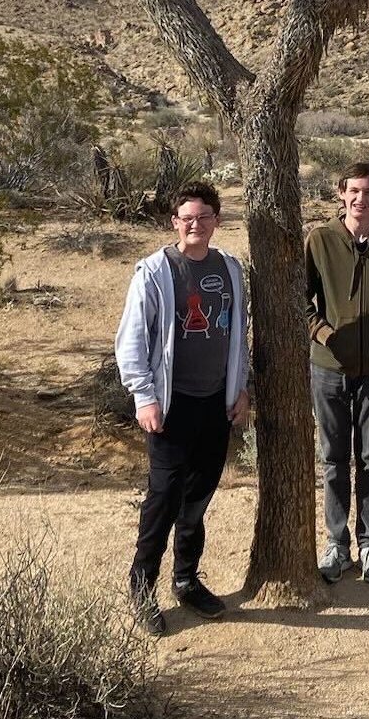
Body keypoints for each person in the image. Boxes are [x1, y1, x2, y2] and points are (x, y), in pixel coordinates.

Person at [116, 181, 250, 635]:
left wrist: (241, 388)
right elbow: (132, 338)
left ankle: (186, 578)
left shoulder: (230, 270)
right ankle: (142, 586)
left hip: (216, 404)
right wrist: (144, 396)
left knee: (199, 497)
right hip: (170, 408)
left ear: (216, 220)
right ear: (175, 222)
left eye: (204, 216)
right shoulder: (155, 271)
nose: (196, 224)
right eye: (187, 217)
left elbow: (238, 337)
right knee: (164, 498)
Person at [306, 161, 369, 584]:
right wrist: (327, 334)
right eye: (353, 191)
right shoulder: (320, 240)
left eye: (368, 192)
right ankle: (337, 544)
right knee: (333, 459)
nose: (360, 199)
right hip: (328, 369)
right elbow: (299, 298)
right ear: (340, 193)